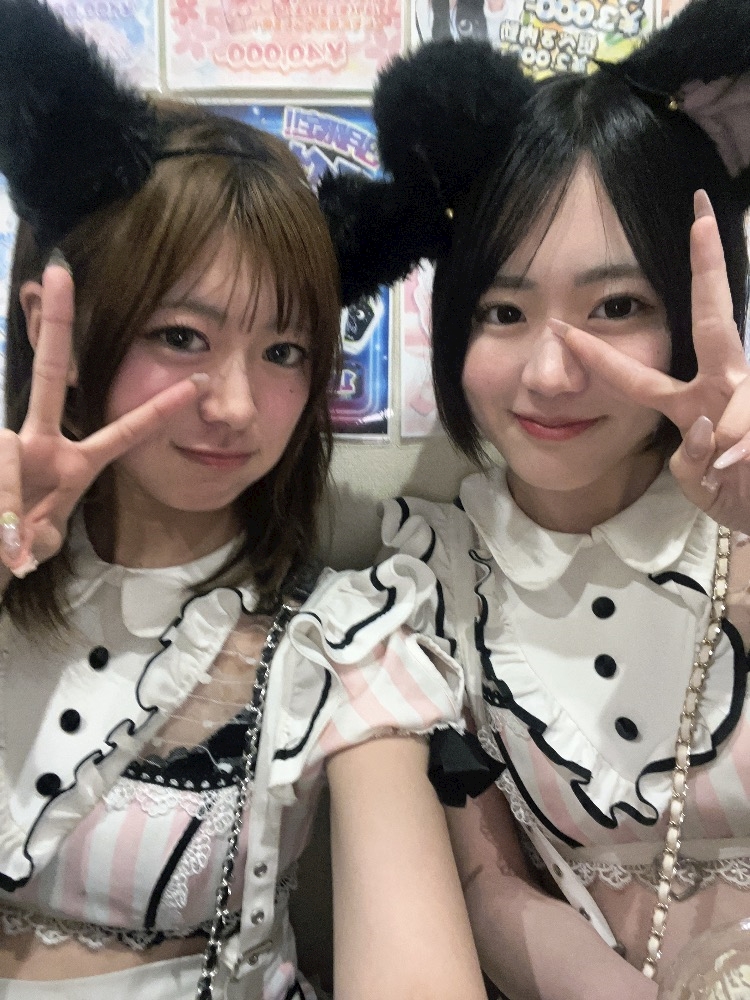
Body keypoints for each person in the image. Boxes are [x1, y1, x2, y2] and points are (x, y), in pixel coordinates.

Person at [0, 2, 489, 999]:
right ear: (58, 327)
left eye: (284, 350)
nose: (233, 405)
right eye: (181, 335)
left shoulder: (341, 641)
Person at [353, 2, 750, 996]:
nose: (549, 372)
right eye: (504, 310)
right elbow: (489, 880)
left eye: (616, 306)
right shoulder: (427, 587)